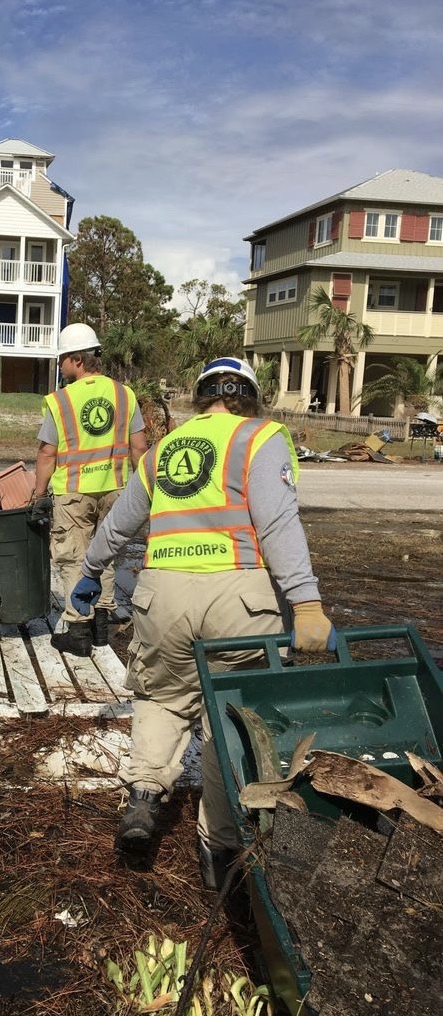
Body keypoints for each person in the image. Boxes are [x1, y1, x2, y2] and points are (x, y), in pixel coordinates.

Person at [68, 356, 335, 888]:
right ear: (249, 398)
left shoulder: (167, 448)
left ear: (199, 397)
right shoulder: (260, 438)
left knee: (162, 697)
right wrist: (304, 603)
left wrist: (91, 571)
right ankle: (219, 848)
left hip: (161, 593)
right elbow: (278, 520)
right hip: (237, 598)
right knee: (227, 719)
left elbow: (120, 521)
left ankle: (143, 798)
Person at [30, 323, 148, 656]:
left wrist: (39, 495)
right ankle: (100, 624)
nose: (60, 365)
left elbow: (46, 453)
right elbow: (139, 447)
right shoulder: (124, 394)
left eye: (63, 358)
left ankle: (78, 629)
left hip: (73, 492)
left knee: (72, 558)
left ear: (78, 360)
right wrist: (144, 492)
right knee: (105, 556)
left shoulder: (61, 400)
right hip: (115, 489)